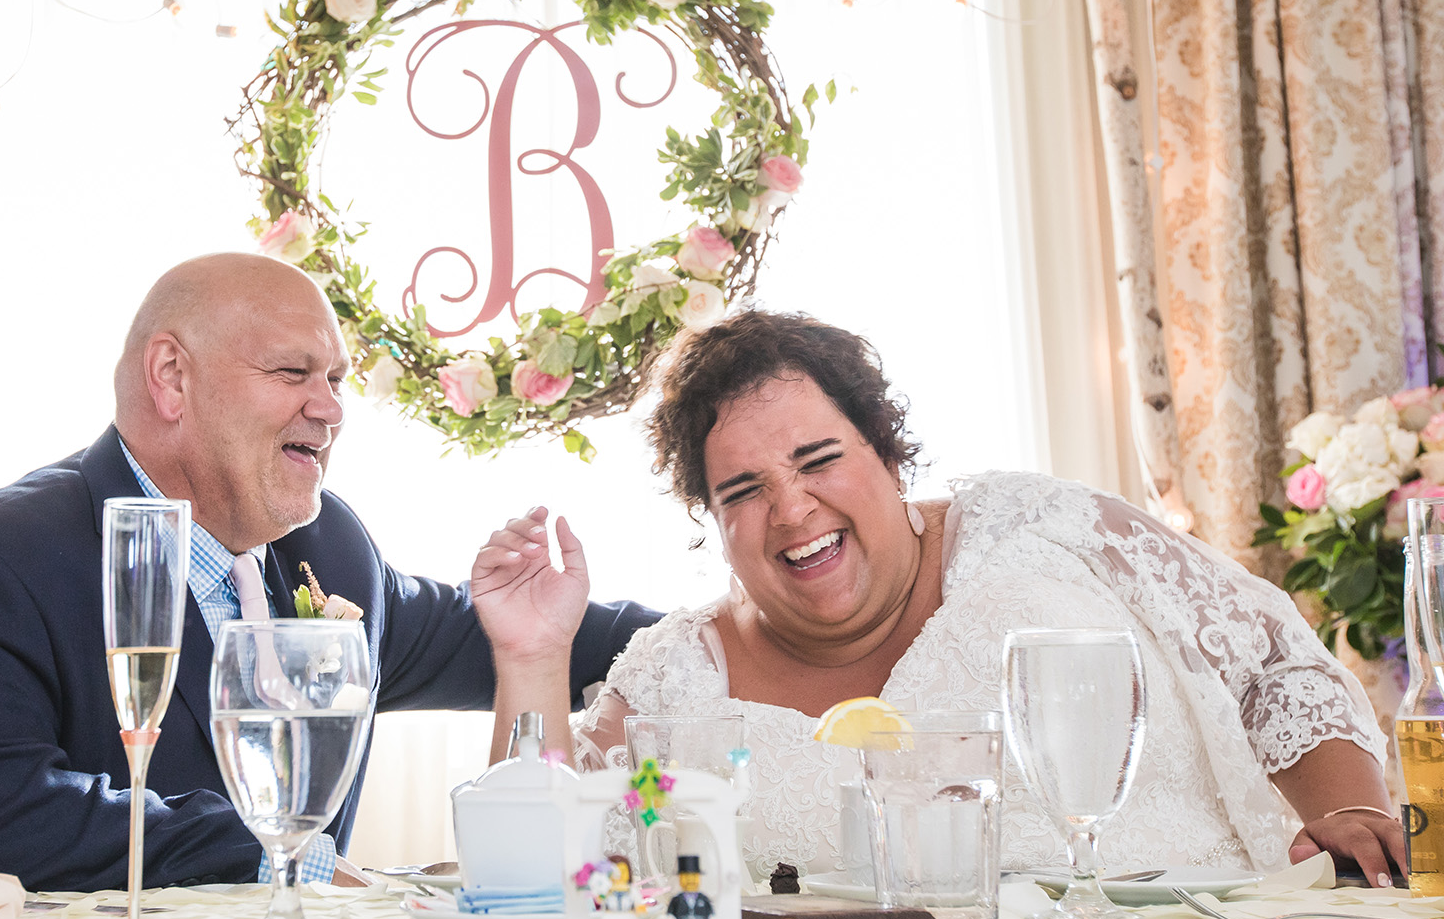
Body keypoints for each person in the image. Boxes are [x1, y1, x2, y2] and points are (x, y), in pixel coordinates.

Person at [471, 310, 1404, 885]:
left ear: (885, 447)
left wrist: (1352, 810)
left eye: (819, 459)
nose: (793, 512)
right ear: (710, 517)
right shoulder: (682, 676)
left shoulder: (1044, 529)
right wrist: (532, 658)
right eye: (742, 491)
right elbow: (552, 861)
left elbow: (1272, 663)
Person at [0, 253, 658, 892]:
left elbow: (513, 630)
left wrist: (741, 624)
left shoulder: (331, 547)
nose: (332, 409)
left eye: (338, 380)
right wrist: (270, 855)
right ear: (172, 378)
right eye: (293, 373)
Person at [668, 854, 713, 919]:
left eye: (694, 877)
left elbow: (710, 912)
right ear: (679, 879)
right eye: (686, 877)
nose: (690, 881)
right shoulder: (677, 900)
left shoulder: (703, 899)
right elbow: (670, 913)